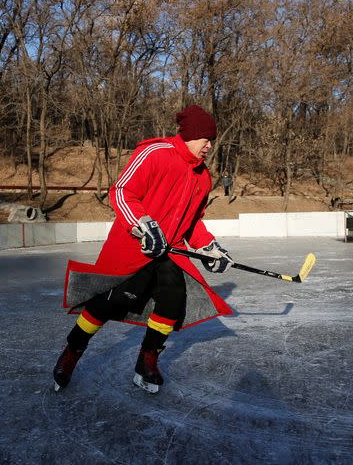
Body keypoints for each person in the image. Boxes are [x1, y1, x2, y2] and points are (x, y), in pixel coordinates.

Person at [53, 104, 233, 394]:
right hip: (136, 245)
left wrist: (208, 246)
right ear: (190, 136)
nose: (210, 145)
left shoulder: (203, 177)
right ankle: (73, 350)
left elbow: (192, 222)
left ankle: (147, 360)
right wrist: (143, 223)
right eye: (206, 139)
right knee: (110, 302)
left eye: (212, 139)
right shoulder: (156, 153)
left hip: (170, 250)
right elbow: (122, 191)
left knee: (173, 300)